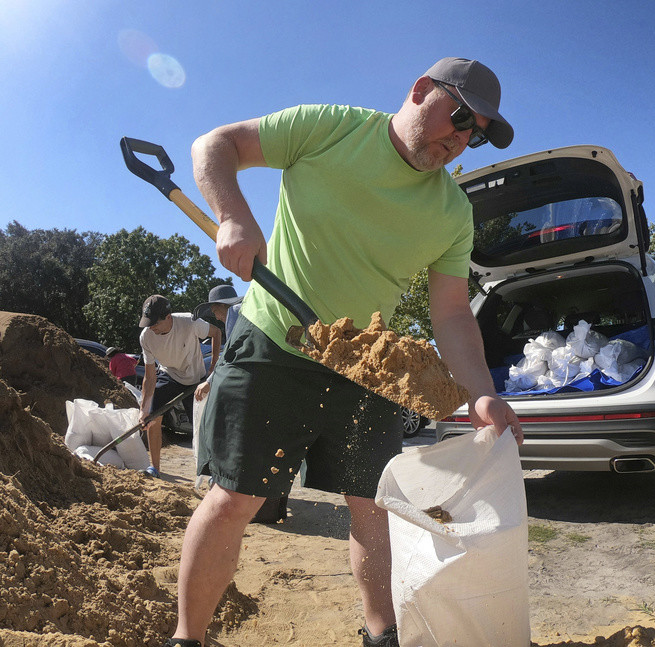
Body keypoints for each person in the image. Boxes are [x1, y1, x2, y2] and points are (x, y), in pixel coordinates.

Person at [165, 57, 523, 647]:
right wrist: (232, 217)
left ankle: (380, 632)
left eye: (476, 133)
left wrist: (482, 394)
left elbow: (452, 314)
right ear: (419, 90)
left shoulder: (452, 212)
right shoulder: (330, 128)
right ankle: (188, 638)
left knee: (372, 507)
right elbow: (215, 145)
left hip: (367, 368)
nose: (462, 138)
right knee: (235, 500)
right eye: (460, 116)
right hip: (272, 346)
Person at [138, 294, 221, 478]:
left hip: (195, 378)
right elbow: (150, 377)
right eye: (148, 323)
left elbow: (216, 332)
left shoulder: (189, 322)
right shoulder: (147, 337)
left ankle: (214, 473)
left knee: (204, 426)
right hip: (168, 375)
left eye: (154, 323)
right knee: (153, 418)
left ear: (168, 317)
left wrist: (213, 369)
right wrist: (144, 409)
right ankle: (155, 468)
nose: (151, 328)